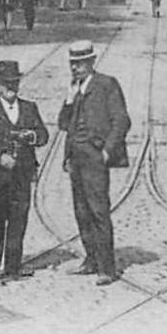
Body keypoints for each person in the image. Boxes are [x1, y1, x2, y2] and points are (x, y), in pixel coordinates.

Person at [58, 41, 130, 284]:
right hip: (76, 159)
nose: (75, 68)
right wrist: (69, 100)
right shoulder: (74, 90)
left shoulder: (106, 85)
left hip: (95, 158)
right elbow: (62, 124)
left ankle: (107, 268)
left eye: (80, 63)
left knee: (99, 211)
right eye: (72, 64)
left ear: (91, 62)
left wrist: (108, 151)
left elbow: (122, 121)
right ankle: (91, 259)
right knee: (81, 212)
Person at [0, 60, 50, 284]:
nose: (11, 88)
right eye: (6, 83)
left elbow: (43, 134)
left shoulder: (29, 107)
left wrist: (31, 137)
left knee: (18, 222)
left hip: (21, 175)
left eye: (14, 83)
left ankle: (13, 267)